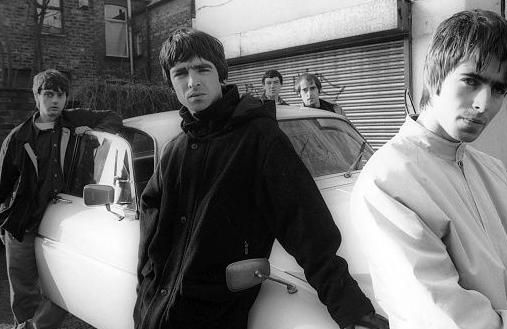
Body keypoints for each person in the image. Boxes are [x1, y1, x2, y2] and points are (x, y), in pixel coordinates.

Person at [134, 28, 388, 329]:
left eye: (203, 69)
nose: (193, 82)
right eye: (180, 73)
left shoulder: (259, 139)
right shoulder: (173, 152)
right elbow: (150, 234)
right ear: (170, 82)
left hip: (214, 318)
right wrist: (145, 298)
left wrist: (353, 311)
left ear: (221, 74)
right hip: (156, 315)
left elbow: (307, 227)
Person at [351, 9, 507, 329]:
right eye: (471, 81)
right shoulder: (388, 181)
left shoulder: (493, 171)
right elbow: (445, 317)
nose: (484, 104)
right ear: (434, 76)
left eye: (499, 89)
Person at [0, 69, 123, 329]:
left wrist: (92, 131)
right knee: (23, 291)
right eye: (48, 94)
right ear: (36, 97)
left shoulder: (73, 119)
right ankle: (23, 324)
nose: (55, 101)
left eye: (60, 95)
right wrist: (4, 224)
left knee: (64, 286)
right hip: (24, 224)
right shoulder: (18, 138)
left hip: (63, 222)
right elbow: (2, 187)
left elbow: (113, 117)